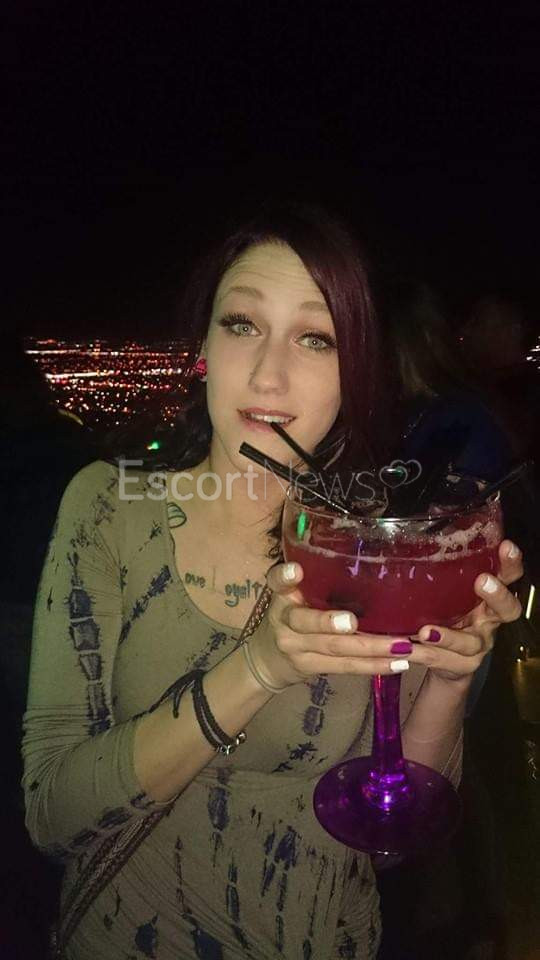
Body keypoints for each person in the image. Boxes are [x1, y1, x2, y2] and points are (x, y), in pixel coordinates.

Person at [21, 204, 523, 960]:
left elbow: (393, 838)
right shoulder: (107, 506)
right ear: (204, 345)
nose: (268, 374)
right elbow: (53, 818)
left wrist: (451, 675)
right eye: (242, 325)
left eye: (316, 338)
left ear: (355, 367)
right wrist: (258, 668)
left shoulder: (381, 543)